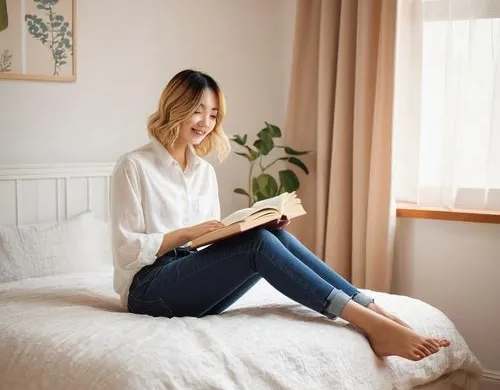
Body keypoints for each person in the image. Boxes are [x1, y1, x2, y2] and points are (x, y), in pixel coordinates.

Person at [110, 69, 449, 361]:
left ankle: (372, 309)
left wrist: (247, 226)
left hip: (187, 279)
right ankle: (370, 322)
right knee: (257, 243)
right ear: (176, 107)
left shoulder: (203, 171)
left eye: (213, 114)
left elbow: (202, 244)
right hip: (148, 289)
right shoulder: (134, 165)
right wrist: (185, 234)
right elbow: (127, 250)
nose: (206, 122)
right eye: (199, 111)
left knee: (271, 235)